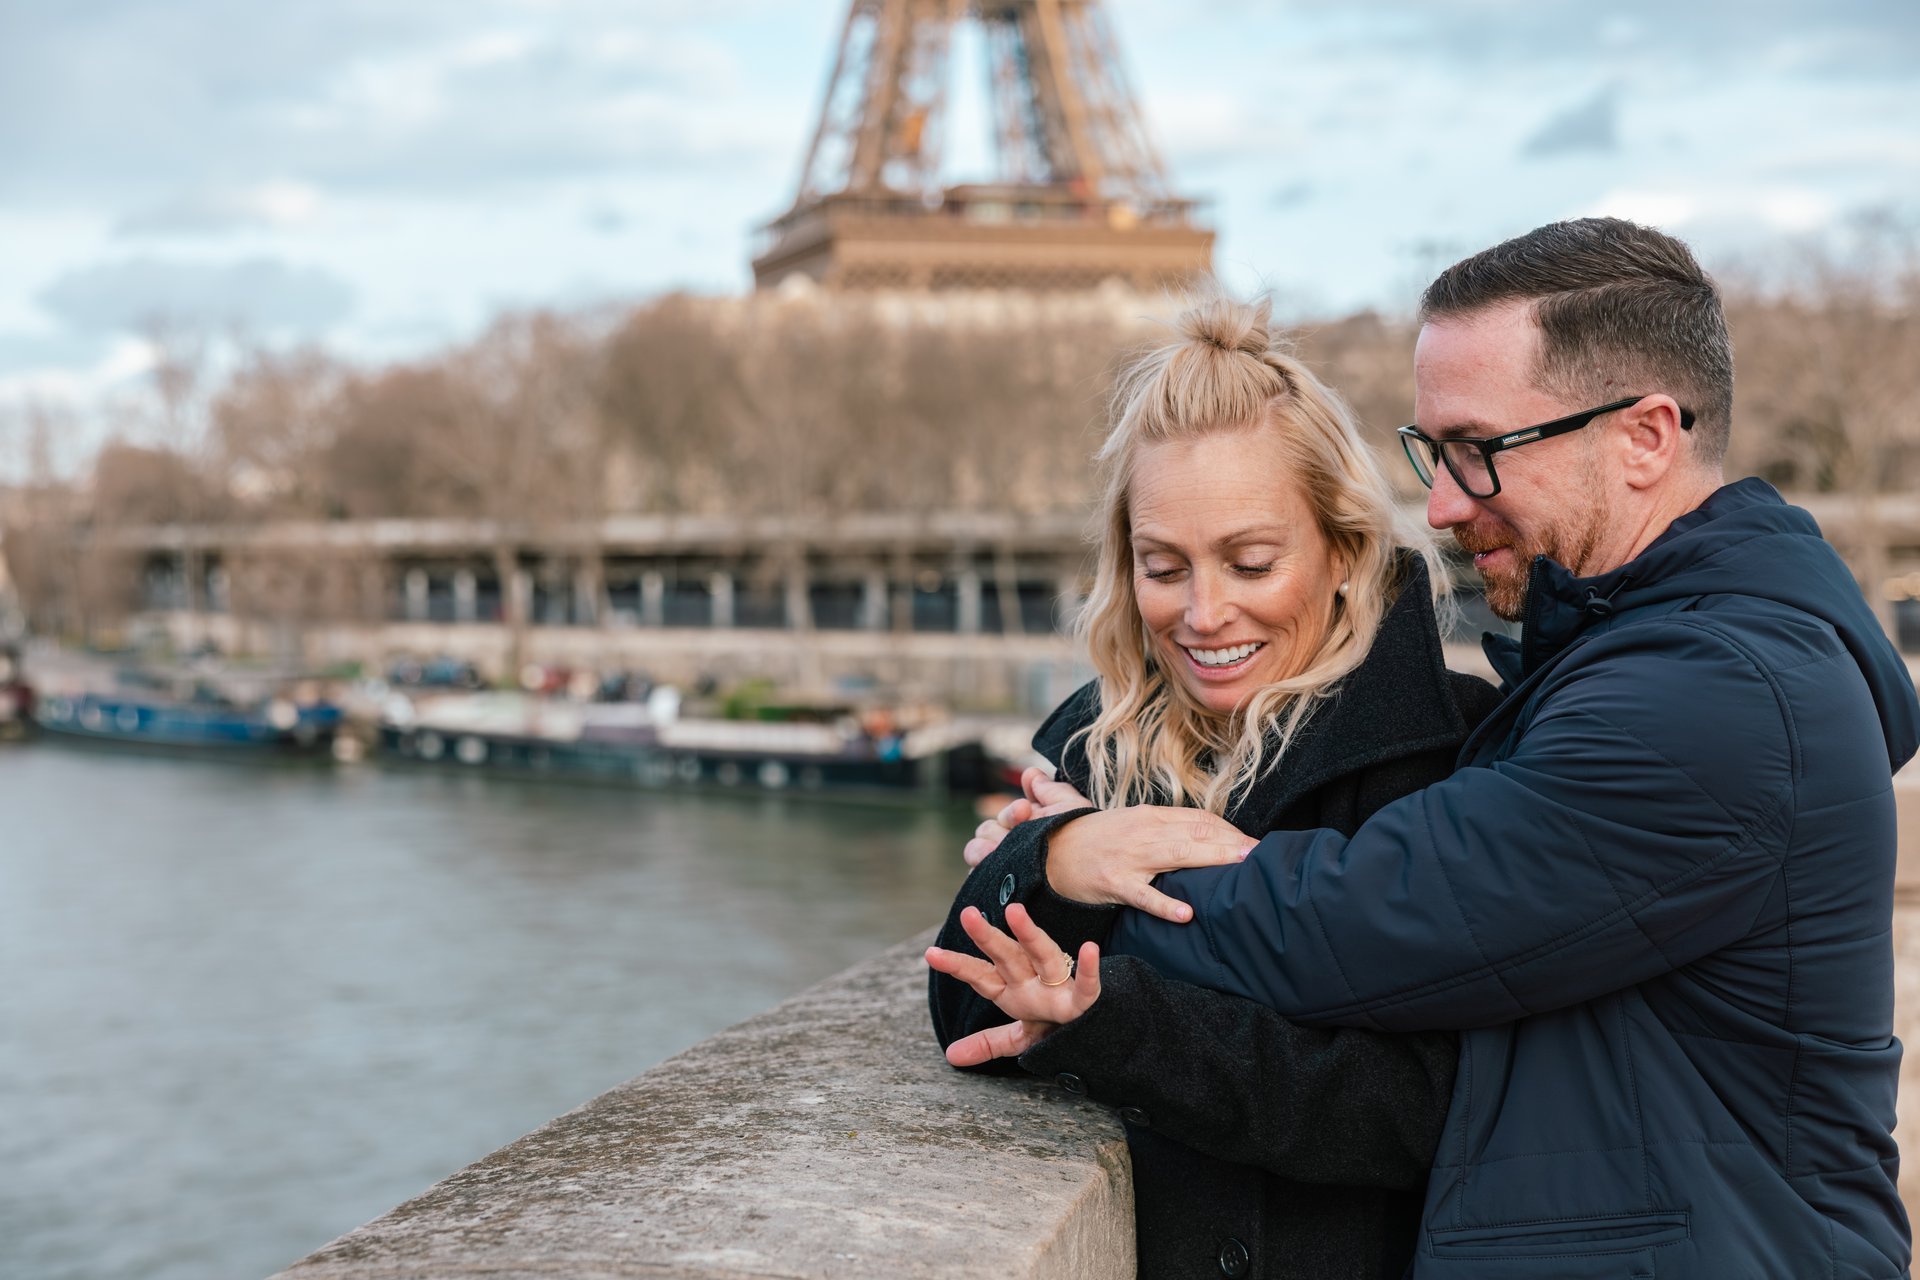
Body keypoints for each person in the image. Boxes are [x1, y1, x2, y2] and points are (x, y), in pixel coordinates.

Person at [950, 218, 1920, 1278]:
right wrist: (1048, 865)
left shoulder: (1714, 696)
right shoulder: (1629, 663)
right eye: (1434, 453)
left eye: (1479, 450)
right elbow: (965, 981)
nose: (1445, 502)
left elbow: (1360, 920)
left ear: (1645, 437)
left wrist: (1073, 867)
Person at [927, 292, 1502, 1279]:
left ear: (1344, 552)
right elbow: (965, 1003)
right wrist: (1061, 856)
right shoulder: (1095, 746)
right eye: (1163, 567)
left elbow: (1415, 1107)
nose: (1203, 612)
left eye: (1250, 562)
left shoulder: (1450, 749)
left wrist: (1117, 1023)